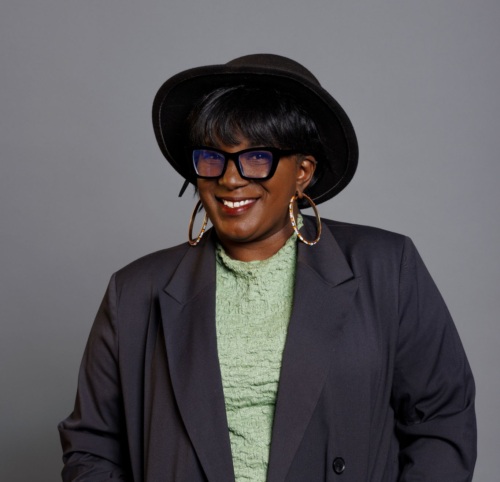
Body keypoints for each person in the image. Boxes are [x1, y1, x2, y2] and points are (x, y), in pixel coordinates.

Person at [58, 54, 476, 481]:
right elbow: (91, 450)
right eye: (212, 158)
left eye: (257, 157)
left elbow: (442, 419)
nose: (230, 179)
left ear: (302, 172)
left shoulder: (387, 267)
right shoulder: (134, 292)